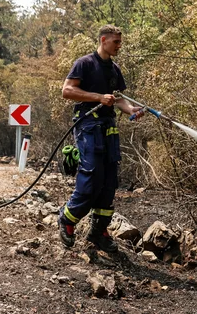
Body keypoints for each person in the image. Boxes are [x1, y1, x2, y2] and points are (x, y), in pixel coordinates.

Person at [58, 25, 143, 252]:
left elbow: (119, 100)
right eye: (116, 42)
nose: (119, 46)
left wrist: (132, 110)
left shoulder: (114, 69)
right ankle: (67, 219)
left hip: (108, 129)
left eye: (119, 42)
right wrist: (97, 97)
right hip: (88, 127)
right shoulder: (84, 63)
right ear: (103, 40)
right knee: (92, 176)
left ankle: (99, 231)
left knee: (109, 182)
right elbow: (67, 91)